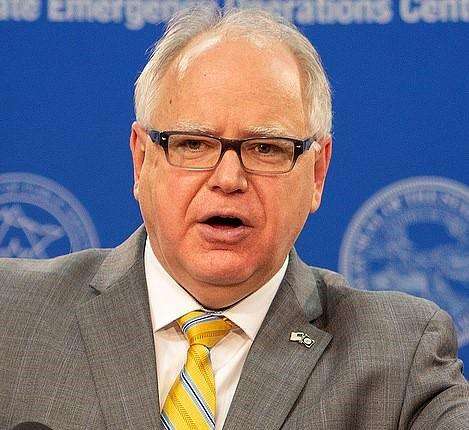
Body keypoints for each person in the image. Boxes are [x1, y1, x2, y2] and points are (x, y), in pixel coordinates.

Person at [0, 5, 468, 430]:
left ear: (317, 173)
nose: (228, 178)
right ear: (141, 161)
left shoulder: (399, 355)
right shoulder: (13, 316)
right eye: (192, 144)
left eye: (266, 148)